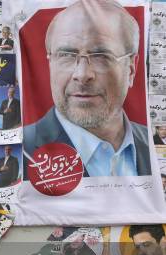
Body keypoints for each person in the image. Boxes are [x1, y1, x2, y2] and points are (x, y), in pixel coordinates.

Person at [23, 0, 151, 177]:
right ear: (50, 64)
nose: (82, 75)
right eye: (66, 55)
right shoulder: (21, 150)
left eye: (101, 56)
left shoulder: (154, 144)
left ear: (131, 69)